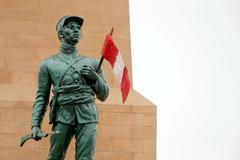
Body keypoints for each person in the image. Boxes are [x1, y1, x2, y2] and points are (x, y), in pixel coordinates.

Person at [31, 15, 109, 160]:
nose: (76, 30)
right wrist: (35, 125)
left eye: (78, 28)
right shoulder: (48, 64)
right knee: (55, 156)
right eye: (71, 27)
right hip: (62, 114)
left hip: (88, 114)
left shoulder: (92, 63)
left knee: (86, 158)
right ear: (61, 33)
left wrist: (95, 78)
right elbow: (42, 97)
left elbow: (104, 94)